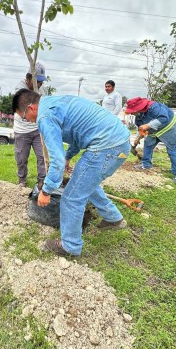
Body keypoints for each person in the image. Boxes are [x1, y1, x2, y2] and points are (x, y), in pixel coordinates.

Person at [13, 88, 131, 257]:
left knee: (71, 197)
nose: (29, 121)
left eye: (24, 117)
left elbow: (57, 161)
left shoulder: (44, 117)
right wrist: (69, 156)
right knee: (84, 183)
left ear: (31, 108)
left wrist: (46, 191)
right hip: (119, 142)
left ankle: (70, 246)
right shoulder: (58, 103)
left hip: (107, 147)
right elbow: (78, 134)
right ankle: (113, 218)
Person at [125, 97, 176, 184]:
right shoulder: (138, 116)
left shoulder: (155, 107)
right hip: (155, 132)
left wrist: (148, 125)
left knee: (173, 152)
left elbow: (163, 118)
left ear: (139, 107)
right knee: (148, 144)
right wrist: (138, 137)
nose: (132, 113)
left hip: (170, 130)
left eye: (133, 110)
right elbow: (141, 128)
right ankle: (146, 164)